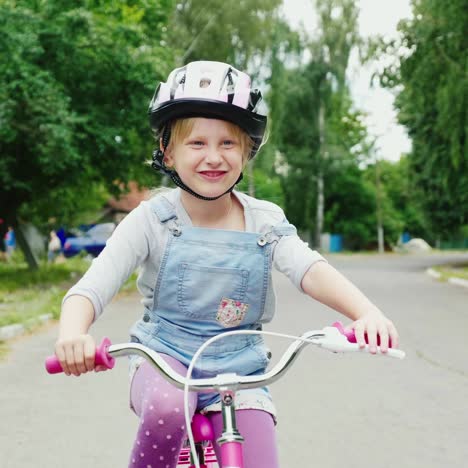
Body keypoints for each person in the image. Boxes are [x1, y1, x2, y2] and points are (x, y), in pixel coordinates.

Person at [54, 61, 399, 468]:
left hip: (241, 375)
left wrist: (367, 314)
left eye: (228, 144)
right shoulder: (152, 219)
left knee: (259, 458)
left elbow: (310, 270)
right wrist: (73, 334)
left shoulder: (264, 221)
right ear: (168, 151)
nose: (213, 157)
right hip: (163, 364)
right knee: (167, 407)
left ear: (247, 151)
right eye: (196, 143)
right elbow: (91, 288)